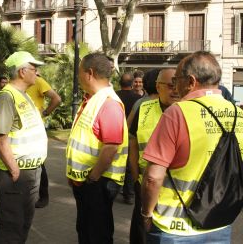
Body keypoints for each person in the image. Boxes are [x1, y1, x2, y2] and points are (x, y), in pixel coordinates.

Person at [141, 51, 243, 243]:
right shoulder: (238, 114)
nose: (175, 85)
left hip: (174, 227)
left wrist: (146, 213)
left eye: (176, 79)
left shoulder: (177, 113)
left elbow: (153, 177)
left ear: (190, 81)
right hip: (219, 223)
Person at [66, 53, 128, 244]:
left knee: (97, 234)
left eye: (79, 71)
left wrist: (92, 177)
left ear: (89, 73)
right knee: (86, 229)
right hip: (89, 182)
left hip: (99, 182)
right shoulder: (94, 99)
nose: (77, 76)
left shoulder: (108, 103)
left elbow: (110, 148)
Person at [0, 51, 48, 243]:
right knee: (11, 227)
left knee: (23, 223)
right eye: (34, 69)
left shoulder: (22, 95)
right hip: (16, 174)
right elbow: (0, 138)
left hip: (31, 171)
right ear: (22, 72)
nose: (37, 73)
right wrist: (14, 170)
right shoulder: (6, 97)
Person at [128, 68, 179, 244]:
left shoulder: (188, 111)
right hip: (145, 184)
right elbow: (132, 141)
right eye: (171, 86)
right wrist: (135, 175)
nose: (176, 90)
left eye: (179, 85)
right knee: (141, 230)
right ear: (158, 87)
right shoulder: (144, 108)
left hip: (177, 190)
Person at [26, 70, 61, 208]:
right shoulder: (16, 86)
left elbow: (57, 99)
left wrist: (45, 112)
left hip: (34, 129)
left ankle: (43, 196)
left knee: (39, 162)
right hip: (22, 131)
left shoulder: (38, 81)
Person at [116, 72, 141, 205]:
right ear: (132, 84)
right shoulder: (138, 99)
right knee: (130, 165)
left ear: (120, 83)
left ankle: (114, 188)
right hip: (131, 135)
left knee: (114, 161)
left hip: (115, 133)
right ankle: (129, 194)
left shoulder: (114, 96)